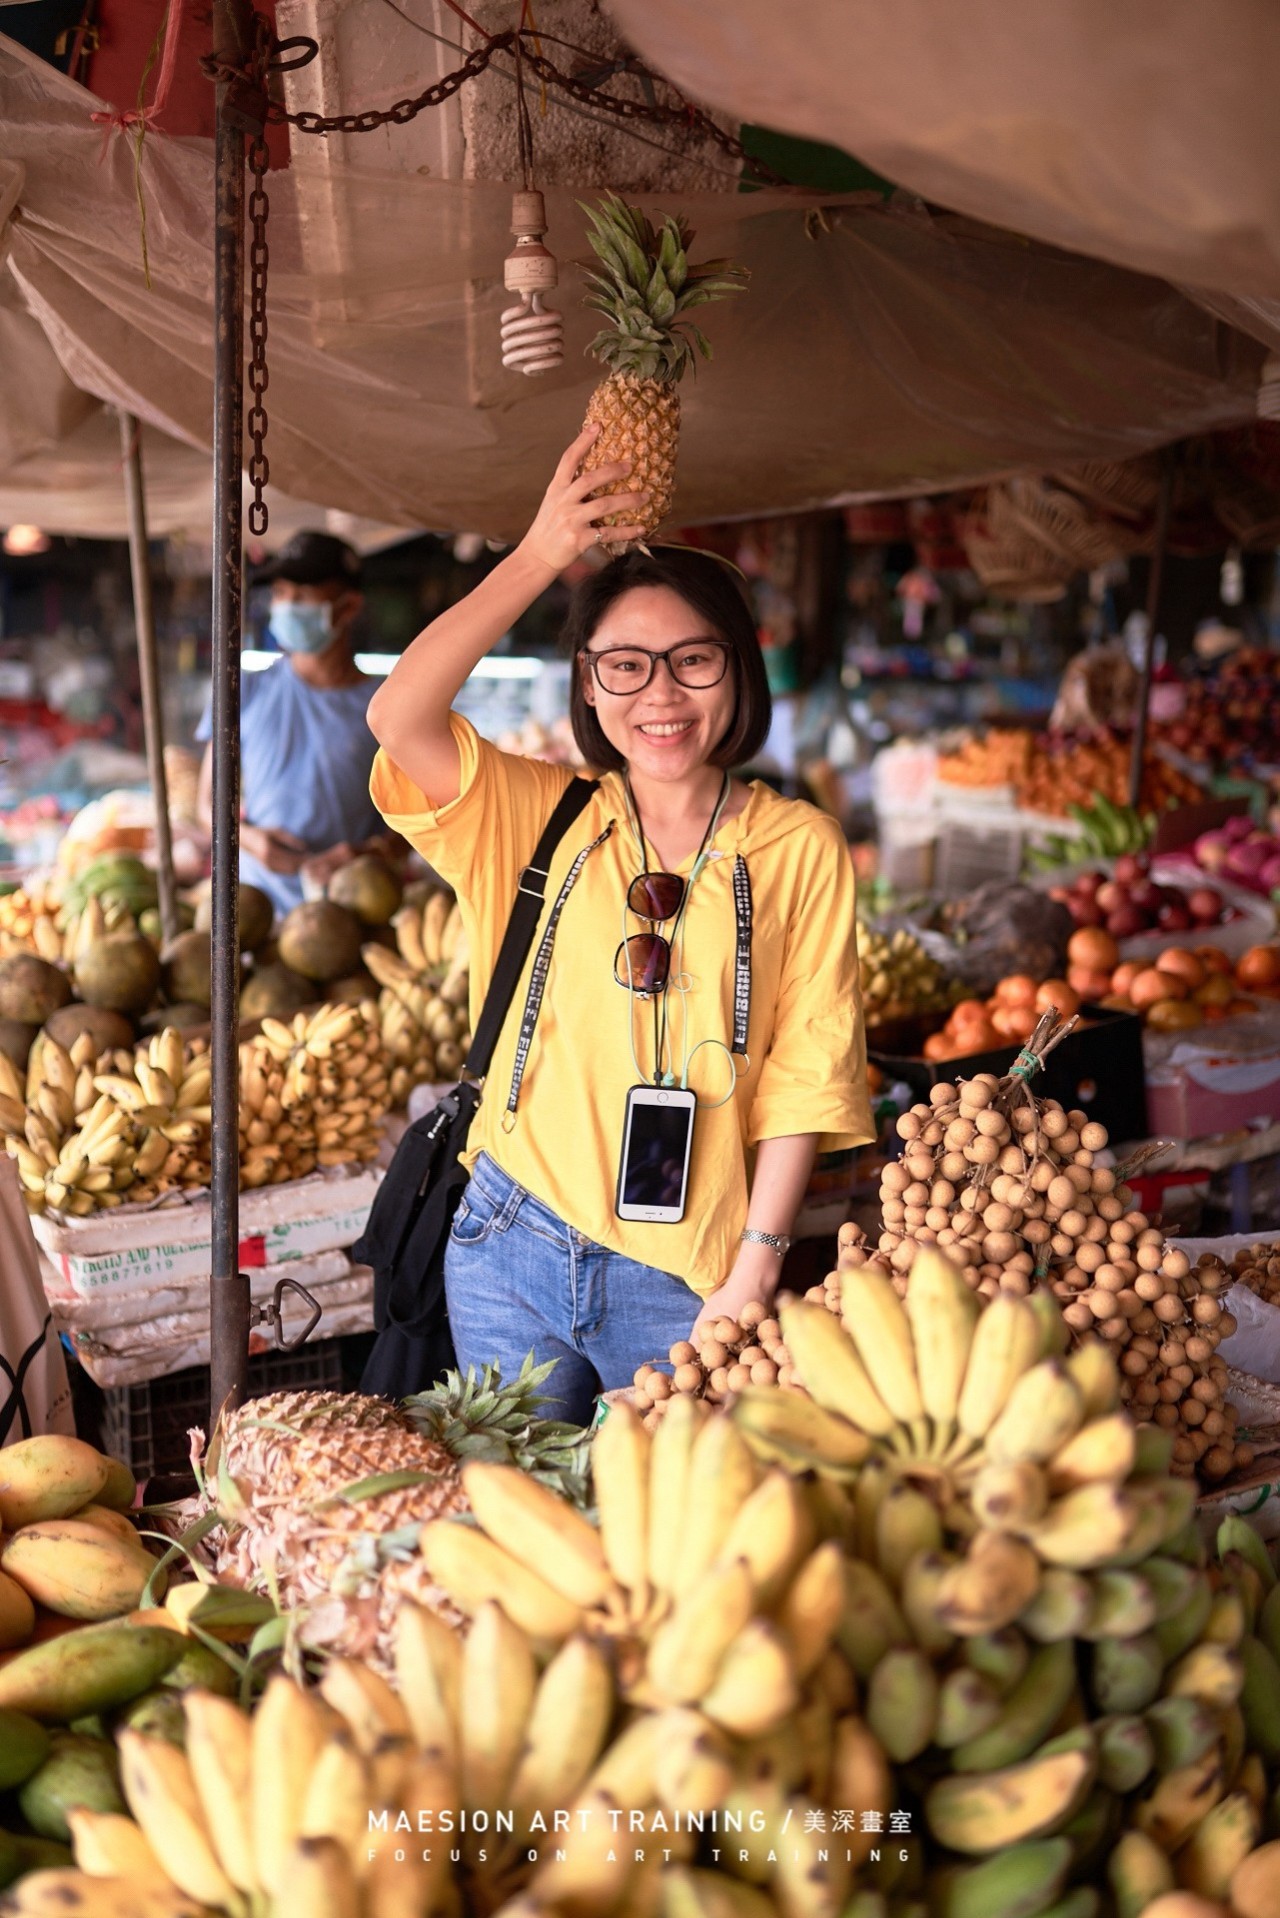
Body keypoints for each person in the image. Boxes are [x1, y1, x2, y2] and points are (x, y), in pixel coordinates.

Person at [368, 427, 872, 1424]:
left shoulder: (799, 846)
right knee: (521, 1534)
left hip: (685, 1274)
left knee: (665, 1549)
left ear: (736, 670)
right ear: (587, 684)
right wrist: (539, 556)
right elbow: (398, 715)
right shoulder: (537, 814)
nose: (660, 696)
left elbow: (807, 1073)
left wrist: (755, 1266)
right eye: (624, 666)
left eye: (691, 661)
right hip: (506, 1241)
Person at [196, 531, 396, 916]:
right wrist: (251, 841)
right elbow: (207, 806)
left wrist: (368, 852)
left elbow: (413, 827)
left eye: (303, 597)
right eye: (281, 594)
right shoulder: (242, 687)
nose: (286, 606)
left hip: (347, 914)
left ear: (349, 606)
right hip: (251, 912)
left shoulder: (385, 706)